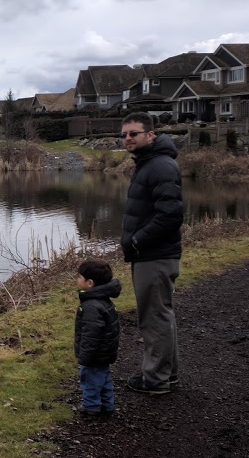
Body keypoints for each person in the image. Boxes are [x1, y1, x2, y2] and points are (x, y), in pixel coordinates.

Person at [120, 112, 184, 395]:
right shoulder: (149, 163)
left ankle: (155, 380)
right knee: (161, 315)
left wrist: (137, 241)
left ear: (150, 135)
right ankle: (166, 375)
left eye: (133, 133)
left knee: (154, 317)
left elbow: (170, 214)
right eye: (124, 135)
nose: (128, 139)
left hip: (154, 254)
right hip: (150, 253)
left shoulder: (159, 166)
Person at [74, 258, 121, 417]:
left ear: (90, 283)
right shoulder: (104, 300)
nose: (77, 279)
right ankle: (108, 405)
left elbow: (91, 335)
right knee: (105, 380)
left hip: (94, 355)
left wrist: (84, 357)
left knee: (90, 382)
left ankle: (91, 408)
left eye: (80, 277)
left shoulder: (91, 306)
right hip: (104, 353)